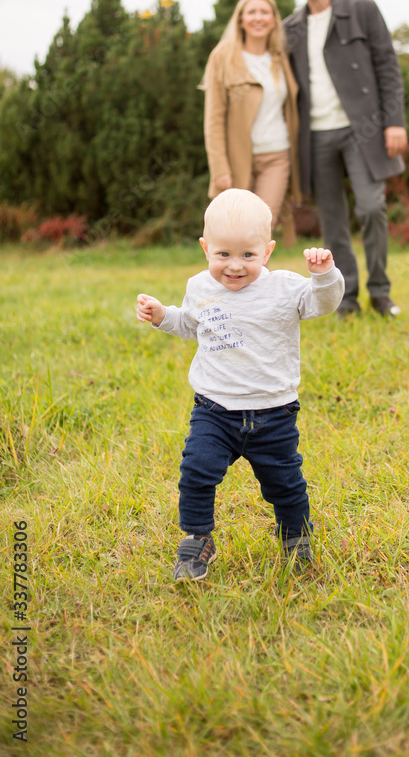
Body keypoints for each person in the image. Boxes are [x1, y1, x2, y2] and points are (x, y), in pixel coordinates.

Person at [136, 189, 344, 580]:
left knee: (285, 483)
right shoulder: (200, 287)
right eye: (223, 255)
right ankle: (198, 539)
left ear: (266, 252)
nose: (234, 266)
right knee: (196, 471)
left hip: (274, 412)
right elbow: (189, 325)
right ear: (205, 248)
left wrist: (324, 276)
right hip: (214, 410)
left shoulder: (284, 288)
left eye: (247, 256)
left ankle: (296, 538)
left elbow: (324, 302)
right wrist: (163, 314)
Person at [283, 0, 408, 318]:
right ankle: (346, 299)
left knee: (372, 207)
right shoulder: (292, 27)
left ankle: (381, 293)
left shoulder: (362, 10)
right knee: (333, 222)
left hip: (363, 130)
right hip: (316, 135)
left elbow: (388, 65)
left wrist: (394, 120)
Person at [201, 0, 300, 247]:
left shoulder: (280, 57)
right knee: (231, 233)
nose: (258, 18)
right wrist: (220, 168)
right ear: (241, 19)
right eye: (252, 12)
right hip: (237, 160)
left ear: (274, 19)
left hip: (277, 156)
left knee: (261, 231)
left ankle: (258, 288)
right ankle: (226, 287)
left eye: (265, 12)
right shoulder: (223, 56)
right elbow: (213, 119)